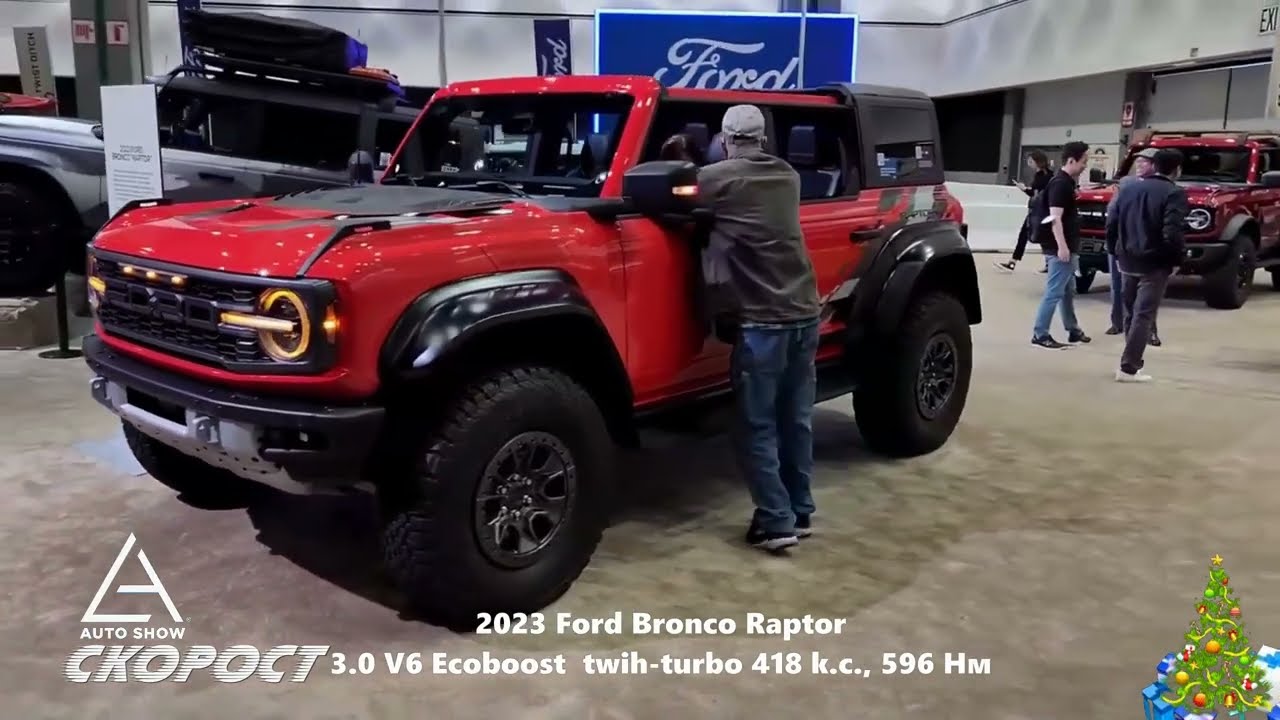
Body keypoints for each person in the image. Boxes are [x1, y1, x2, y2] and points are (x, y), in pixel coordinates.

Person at [697, 105, 821, 551]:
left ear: (725, 139)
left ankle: (775, 521)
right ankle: (800, 511)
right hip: (806, 312)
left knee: (757, 426)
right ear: (764, 139)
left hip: (764, 323)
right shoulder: (788, 175)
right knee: (796, 421)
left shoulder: (718, 179)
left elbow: (672, 198)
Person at [1107, 148, 1188, 383]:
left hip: (1126, 259)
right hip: (1154, 263)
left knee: (1130, 312)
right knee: (1143, 315)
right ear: (1177, 169)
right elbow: (1172, 232)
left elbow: (1111, 221)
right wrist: (1176, 260)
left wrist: (1114, 250)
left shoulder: (1128, 188)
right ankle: (1129, 367)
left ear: (1154, 165)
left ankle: (1130, 362)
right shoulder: (1174, 193)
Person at [1031, 142, 1093, 349]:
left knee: (1067, 291)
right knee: (1055, 292)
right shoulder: (1060, 184)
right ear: (1071, 160)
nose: (1086, 165)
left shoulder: (1067, 182)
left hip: (1065, 245)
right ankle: (1040, 333)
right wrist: (1062, 247)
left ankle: (1073, 330)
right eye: (1084, 161)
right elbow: (1054, 218)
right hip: (1060, 247)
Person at [1105, 147, 1161, 345]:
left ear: (1155, 165)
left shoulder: (1158, 187)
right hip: (1123, 244)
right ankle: (1117, 323)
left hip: (1144, 246)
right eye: (1138, 161)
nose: (1139, 165)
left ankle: (1150, 331)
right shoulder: (1126, 184)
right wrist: (1111, 245)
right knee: (1118, 287)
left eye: (1144, 162)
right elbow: (1112, 214)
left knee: (1146, 294)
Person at [995, 151, 1053, 272]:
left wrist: (1026, 190)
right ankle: (1014, 262)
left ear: (1037, 162)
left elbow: (1039, 194)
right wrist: (1025, 189)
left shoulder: (1045, 176)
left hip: (1040, 211)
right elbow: (1036, 193)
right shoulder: (1042, 175)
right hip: (1037, 210)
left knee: (1040, 236)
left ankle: (1015, 262)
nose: (1029, 163)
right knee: (1029, 235)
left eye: (1031, 161)